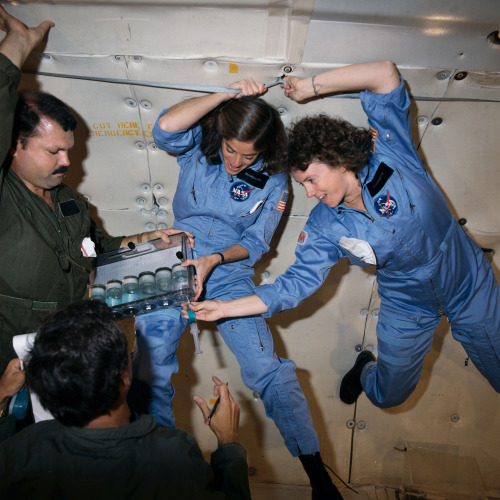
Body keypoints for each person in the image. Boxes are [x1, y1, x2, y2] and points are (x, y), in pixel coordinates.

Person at [186, 60, 500, 410]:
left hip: (469, 284)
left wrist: (310, 87)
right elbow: (291, 287)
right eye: (301, 183)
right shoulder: (323, 225)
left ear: (338, 161)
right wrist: (226, 308)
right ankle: (367, 369)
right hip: (407, 305)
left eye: (311, 179)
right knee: (388, 396)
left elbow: (384, 74)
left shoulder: (393, 156)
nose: (308, 193)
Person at [134, 79, 343, 498]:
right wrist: (224, 96)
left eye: (249, 154)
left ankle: (318, 477)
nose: (235, 160)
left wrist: (214, 260)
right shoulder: (198, 150)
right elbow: (164, 128)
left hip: (229, 274)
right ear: (220, 138)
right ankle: (161, 470)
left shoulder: (274, 180)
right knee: (151, 365)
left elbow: (255, 243)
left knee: (268, 370)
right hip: (176, 260)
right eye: (231, 149)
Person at [0, 6, 193, 376]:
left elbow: (97, 249)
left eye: (68, 150)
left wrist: (146, 240)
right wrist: (16, 46)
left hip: (63, 353)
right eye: (53, 151)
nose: (66, 161)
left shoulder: (68, 200)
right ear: (14, 146)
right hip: (9, 362)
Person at [0, 300, 250, 499]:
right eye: (128, 354)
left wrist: (2, 395)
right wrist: (229, 442)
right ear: (124, 376)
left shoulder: (22, 450)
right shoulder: (173, 457)